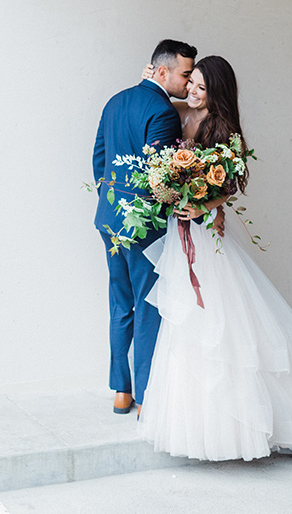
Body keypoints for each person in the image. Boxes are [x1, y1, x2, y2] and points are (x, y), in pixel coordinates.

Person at [138, 55, 292, 461]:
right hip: (180, 238)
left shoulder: (224, 130)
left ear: (217, 93)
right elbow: (167, 99)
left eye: (201, 88)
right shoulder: (181, 113)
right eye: (190, 83)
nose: (192, 92)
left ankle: (236, 424)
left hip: (203, 231)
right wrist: (153, 83)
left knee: (216, 319)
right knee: (184, 319)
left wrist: (203, 206)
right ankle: (189, 419)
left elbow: (228, 187)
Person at [92, 39, 197, 414]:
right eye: (186, 75)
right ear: (162, 71)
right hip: (143, 226)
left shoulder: (115, 101)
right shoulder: (163, 112)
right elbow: (160, 178)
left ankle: (121, 391)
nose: (188, 83)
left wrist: (113, 204)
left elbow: (99, 159)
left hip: (109, 220)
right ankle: (146, 396)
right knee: (148, 305)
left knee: (120, 304)